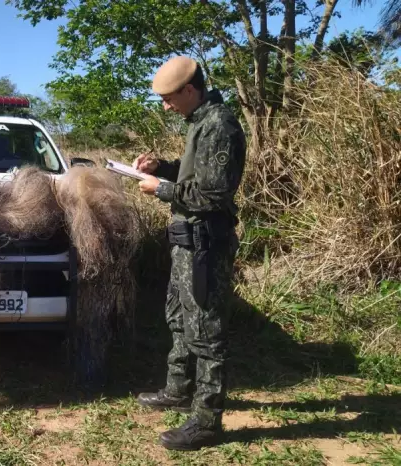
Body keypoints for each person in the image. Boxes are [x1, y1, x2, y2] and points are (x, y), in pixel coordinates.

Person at [133, 56, 246, 451]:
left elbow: (213, 194)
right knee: (179, 317)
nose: (165, 105)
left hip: (205, 246)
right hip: (187, 242)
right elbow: (194, 174)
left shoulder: (219, 124)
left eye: (168, 98)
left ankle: (206, 421)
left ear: (189, 90)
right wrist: (162, 168)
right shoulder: (200, 122)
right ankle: (178, 390)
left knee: (208, 333)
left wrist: (158, 189)